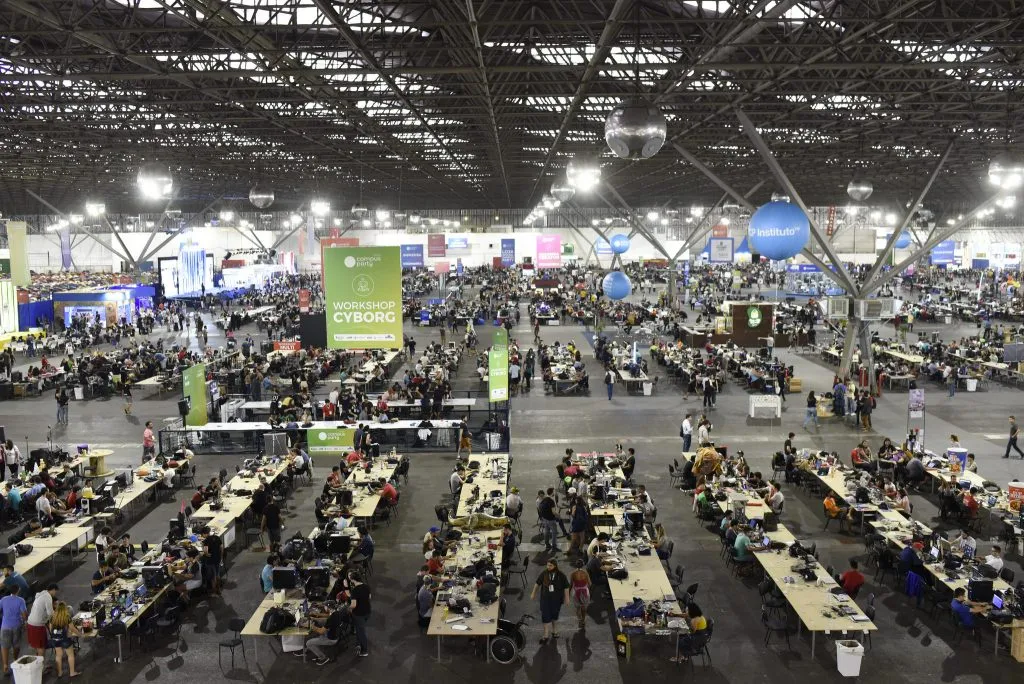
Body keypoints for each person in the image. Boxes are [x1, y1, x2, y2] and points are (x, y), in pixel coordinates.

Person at [531, 559, 569, 644]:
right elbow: (537, 583)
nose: (548, 567)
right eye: (547, 565)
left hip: (556, 600)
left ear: (555, 566)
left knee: (554, 616)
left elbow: (566, 587)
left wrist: (567, 598)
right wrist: (533, 593)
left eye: (550, 565)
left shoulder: (561, 575)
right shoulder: (544, 573)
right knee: (545, 616)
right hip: (545, 600)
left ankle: (554, 631)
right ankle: (545, 635)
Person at [48, 601, 81, 678]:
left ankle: (60, 673)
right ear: (65, 609)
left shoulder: (52, 616)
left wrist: (55, 636)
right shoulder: (66, 616)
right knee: (70, 655)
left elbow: (50, 629)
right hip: (65, 639)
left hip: (55, 639)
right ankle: (72, 672)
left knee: (58, 655)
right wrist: (79, 634)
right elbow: (72, 628)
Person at [0, 584, 27, 676]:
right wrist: (24, 622)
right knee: (16, 645)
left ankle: (5, 665)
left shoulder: (3, 600)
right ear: (18, 590)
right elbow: (24, 615)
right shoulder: (20, 600)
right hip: (16, 625)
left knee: (4, 646)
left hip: (5, 626)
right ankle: (15, 660)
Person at [26, 584, 57, 658]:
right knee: (41, 647)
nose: (55, 593)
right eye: (55, 591)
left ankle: (39, 664)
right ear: (53, 590)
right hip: (37, 626)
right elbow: (50, 613)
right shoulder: (48, 597)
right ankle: (40, 667)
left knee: (38, 646)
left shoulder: (41, 595)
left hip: (31, 624)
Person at [348, 571, 371, 657]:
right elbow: (369, 597)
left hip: (359, 614)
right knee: (359, 629)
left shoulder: (354, 590)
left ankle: (364, 651)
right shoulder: (366, 586)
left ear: (353, 580)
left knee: (361, 632)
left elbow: (354, 605)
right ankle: (358, 644)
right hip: (367, 611)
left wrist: (349, 609)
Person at [568, 559, 591, 630]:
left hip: (576, 592)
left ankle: (580, 620)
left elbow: (571, 585)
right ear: (583, 565)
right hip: (584, 592)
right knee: (583, 607)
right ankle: (583, 620)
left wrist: (568, 594)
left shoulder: (573, 574)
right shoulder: (585, 573)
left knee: (577, 608)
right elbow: (590, 583)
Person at [538, 488, 560, 552]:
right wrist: (558, 515)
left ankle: (547, 545)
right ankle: (554, 546)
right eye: (554, 492)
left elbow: (539, 507)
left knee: (546, 532)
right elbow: (553, 512)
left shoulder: (544, 499)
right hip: (551, 519)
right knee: (554, 533)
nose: (555, 493)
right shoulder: (551, 501)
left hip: (544, 519)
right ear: (552, 493)